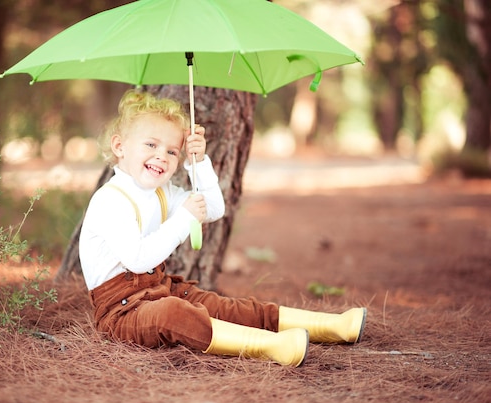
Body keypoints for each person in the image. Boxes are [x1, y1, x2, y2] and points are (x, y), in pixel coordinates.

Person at [79, 90, 366, 367]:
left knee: (223, 307)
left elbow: (214, 209)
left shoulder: (163, 192)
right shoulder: (110, 200)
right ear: (119, 147)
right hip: (122, 311)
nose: (162, 156)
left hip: (159, 289)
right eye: (151, 145)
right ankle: (270, 346)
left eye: (172, 150)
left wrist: (199, 163)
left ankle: (331, 326)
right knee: (174, 314)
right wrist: (182, 220)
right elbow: (138, 259)